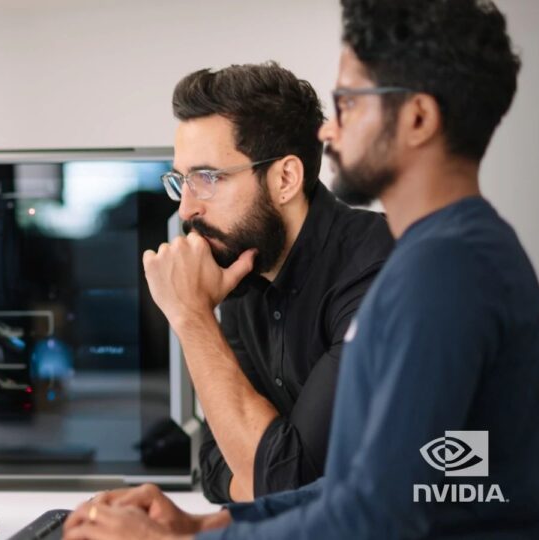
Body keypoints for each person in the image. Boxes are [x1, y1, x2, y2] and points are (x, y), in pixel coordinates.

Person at [63, 0, 539, 538]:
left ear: (416, 119)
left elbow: (374, 514)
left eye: (349, 103)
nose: (329, 132)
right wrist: (207, 525)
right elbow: (365, 484)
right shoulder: (439, 255)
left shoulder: (447, 270)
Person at [161, 62, 394, 503]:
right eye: (181, 180)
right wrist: (260, 469)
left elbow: (287, 483)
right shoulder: (244, 274)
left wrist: (191, 317)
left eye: (206, 178)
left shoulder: (384, 273)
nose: (185, 209)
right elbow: (216, 465)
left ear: (285, 178)